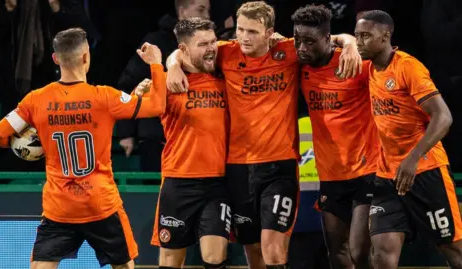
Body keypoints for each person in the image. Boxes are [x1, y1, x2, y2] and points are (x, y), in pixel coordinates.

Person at [165, 2, 362, 268]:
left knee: (273, 249)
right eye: (240, 29)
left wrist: (350, 45)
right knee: (254, 249)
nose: (244, 37)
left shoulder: (289, 51)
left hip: (279, 167)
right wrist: (173, 63)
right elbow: (188, 50)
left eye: (253, 31)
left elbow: (335, 38)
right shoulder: (227, 52)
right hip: (238, 168)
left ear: (270, 33)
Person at [0, 27, 167, 269]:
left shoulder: (35, 100)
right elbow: (156, 105)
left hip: (59, 208)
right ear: (86, 57)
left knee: (41, 266)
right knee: (124, 266)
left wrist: (28, 146)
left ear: (55, 58)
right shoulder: (105, 97)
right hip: (100, 204)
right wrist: (156, 65)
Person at [354, 10, 462, 269]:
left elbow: (443, 117)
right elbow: (338, 41)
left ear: (385, 36)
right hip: (387, 176)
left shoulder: (407, 67)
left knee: (453, 250)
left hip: (425, 171)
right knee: (381, 254)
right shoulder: (369, 68)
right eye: (357, 35)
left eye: (365, 36)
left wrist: (412, 160)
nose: (359, 42)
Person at [291, 5, 378, 269]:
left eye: (309, 42)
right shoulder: (299, 66)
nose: (302, 48)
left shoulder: (355, 63)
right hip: (330, 174)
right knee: (337, 252)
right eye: (298, 41)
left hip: (367, 170)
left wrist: (350, 44)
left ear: (327, 39)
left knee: (359, 252)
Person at [149, 18, 231, 269]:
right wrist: (167, 68)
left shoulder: (226, 76)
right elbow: (131, 108)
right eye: (203, 44)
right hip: (179, 181)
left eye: (213, 41)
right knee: (171, 260)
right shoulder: (166, 85)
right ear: (183, 49)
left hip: (219, 182)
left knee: (215, 258)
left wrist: (171, 61)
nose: (211, 48)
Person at [117, 0, 211, 172]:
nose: (207, 16)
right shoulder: (155, 42)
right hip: (157, 139)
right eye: (201, 9)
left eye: (208, 10)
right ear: (182, 12)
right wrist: (126, 133)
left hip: (199, 139)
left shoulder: (211, 46)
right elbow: (129, 84)